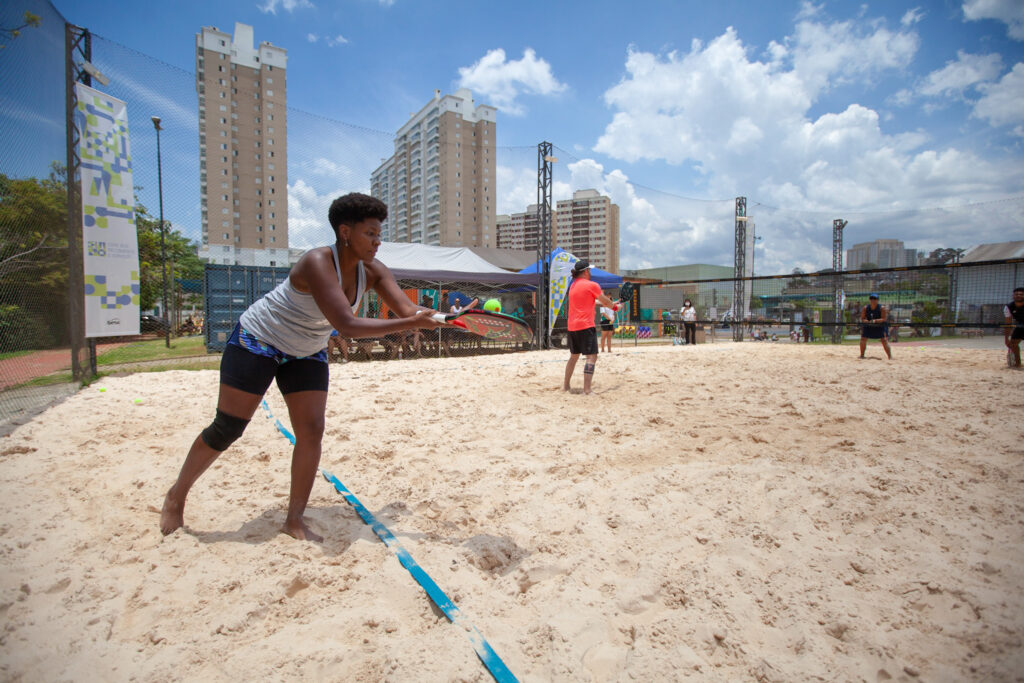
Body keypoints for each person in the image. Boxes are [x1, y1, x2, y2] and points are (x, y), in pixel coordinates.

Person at [160, 193, 442, 542]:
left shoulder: (373, 270)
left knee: (311, 431)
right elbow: (347, 324)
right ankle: (176, 495)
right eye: (370, 233)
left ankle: (294, 519)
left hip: (306, 351)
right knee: (227, 428)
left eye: (378, 234)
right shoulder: (317, 262)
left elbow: (407, 309)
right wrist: (412, 323)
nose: (377, 241)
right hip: (259, 340)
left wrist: (447, 317)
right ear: (345, 232)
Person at [563, 260, 619, 395]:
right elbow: (604, 300)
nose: (590, 273)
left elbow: (593, 301)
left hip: (572, 326)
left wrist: (611, 304)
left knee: (573, 357)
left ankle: (566, 386)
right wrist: (615, 307)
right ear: (585, 271)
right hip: (586, 326)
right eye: (589, 270)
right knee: (591, 357)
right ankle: (587, 390)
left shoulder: (573, 286)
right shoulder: (592, 285)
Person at [859, 293, 892, 360]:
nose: (873, 300)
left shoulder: (882, 308)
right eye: (871, 298)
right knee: (863, 339)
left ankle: (890, 357)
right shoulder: (865, 308)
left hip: (880, 326)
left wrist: (875, 321)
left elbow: (884, 319)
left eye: (875, 299)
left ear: (877, 300)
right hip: (869, 325)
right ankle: (862, 355)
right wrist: (866, 321)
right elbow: (862, 318)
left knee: (884, 340)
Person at [1004, 286, 1024, 368]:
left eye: (1021, 294)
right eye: (1016, 294)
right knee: (1013, 344)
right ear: (1013, 296)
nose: (1019, 295)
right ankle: (1018, 363)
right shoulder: (1008, 307)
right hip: (1021, 326)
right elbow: (1008, 324)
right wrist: (1006, 339)